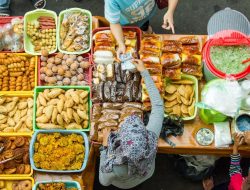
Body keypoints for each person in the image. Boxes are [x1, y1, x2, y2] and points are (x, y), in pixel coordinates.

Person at [99, 59, 164, 189]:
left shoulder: (114, 167)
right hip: (147, 171)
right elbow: (158, 105)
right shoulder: (151, 137)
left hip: (125, 184)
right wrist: (144, 72)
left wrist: (105, 148)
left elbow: (103, 182)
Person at [104, 0, 178, 57]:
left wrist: (170, 11)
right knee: (131, 35)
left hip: (145, 15)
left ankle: (147, 30)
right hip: (128, 22)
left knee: (145, 25)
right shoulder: (111, 1)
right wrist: (121, 43)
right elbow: (114, 23)